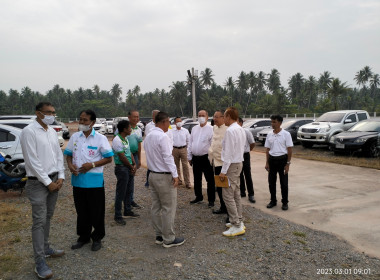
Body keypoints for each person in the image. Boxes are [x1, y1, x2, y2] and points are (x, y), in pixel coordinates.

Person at [20, 102, 65, 279]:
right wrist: (47, 182)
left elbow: (58, 155)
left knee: (47, 217)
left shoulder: (51, 132)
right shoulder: (29, 131)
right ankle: (39, 261)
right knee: (39, 221)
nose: (52, 115)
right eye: (48, 112)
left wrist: (61, 176)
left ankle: (46, 248)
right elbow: (32, 161)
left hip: (55, 180)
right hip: (38, 183)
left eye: (53, 112)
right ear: (38, 113)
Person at [64, 109, 113, 252]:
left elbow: (109, 158)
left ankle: (97, 238)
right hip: (78, 181)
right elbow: (68, 155)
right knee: (82, 211)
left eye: (85, 120)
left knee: (96, 211)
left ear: (92, 122)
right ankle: (83, 237)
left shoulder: (100, 138)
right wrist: (70, 165)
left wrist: (91, 165)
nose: (81, 122)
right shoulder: (75, 137)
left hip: (94, 182)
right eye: (80, 119)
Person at [143, 111, 185, 248]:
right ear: (164, 122)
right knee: (168, 207)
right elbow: (168, 157)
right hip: (164, 175)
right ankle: (169, 238)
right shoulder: (163, 137)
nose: (170, 125)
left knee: (156, 207)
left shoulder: (148, 136)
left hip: (152, 174)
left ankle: (159, 235)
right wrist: (175, 175)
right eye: (169, 123)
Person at [219, 107, 246, 237]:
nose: (224, 119)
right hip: (238, 163)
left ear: (229, 116)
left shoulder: (230, 131)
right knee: (236, 194)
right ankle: (238, 220)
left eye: (224, 116)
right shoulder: (241, 129)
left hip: (231, 165)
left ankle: (236, 224)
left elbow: (228, 153)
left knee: (228, 195)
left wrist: (223, 171)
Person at [265, 115, 293, 211]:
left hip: (282, 160)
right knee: (271, 183)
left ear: (280, 123)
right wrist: (267, 162)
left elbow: (289, 150)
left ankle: (285, 202)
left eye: (274, 122)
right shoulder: (269, 134)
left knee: (284, 183)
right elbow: (267, 149)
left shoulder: (286, 134)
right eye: (271, 122)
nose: (272, 124)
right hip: (272, 160)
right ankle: (273, 200)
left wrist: (288, 164)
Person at [113, 120, 138, 225]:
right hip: (122, 168)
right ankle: (118, 215)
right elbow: (122, 156)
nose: (131, 129)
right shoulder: (117, 140)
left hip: (128, 167)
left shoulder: (125, 139)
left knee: (129, 190)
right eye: (129, 127)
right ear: (124, 129)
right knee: (121, 192)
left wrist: (134, 164)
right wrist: (131, 166)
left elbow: (129, 152)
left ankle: (127, 210)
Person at [187, 110, 215, 207]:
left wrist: (212, 158)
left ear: (207, 117)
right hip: (196, 158)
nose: (201, 117)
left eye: (203, 115)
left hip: (206, 158)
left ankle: (211, 200)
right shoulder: (194, 128)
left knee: (210, 180)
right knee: (197, 179)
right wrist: (189, 156)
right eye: (199, 115)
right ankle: (198, 196)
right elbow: (190, 143)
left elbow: (213, 144)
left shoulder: (211, 129)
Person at [208, 110, 228, 215]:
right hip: (216, 162)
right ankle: (223, 207)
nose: (214, 119)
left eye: (216, 117)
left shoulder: (228, 129)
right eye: (214, 117)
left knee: (226, 189)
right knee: (219, 188)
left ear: (223, 117)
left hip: (224, 163)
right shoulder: (214, 128)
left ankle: (230, 211)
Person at [127, 110, 143, 209]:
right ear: (129, 117)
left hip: (135, 156)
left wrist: (139, 159)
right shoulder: (124, 128)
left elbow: (139, 145)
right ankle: (126, 201)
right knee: (126, 179)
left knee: (131, 178)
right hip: (126, 157)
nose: (136, 119)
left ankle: (131, 199)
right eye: (134, 117)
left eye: (138, 117)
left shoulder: (138, 129)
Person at [238, 118, 256, 203]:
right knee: (239, 174)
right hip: (237, 156)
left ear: (241, 123)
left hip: (245, 155)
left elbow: (252, 143)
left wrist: (248, 150)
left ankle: (251, 194)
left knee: (247, 174)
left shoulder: (246, 132)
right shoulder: (233, 132)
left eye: (237, 122)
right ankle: (242, 191)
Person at [172, 117, 191, 188]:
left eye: (180, 121)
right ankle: (179, 180)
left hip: (183, 149)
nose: (179, 123)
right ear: (175, 123)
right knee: (176, 166)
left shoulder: (185, 131)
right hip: (175, 149)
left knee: (185, 166)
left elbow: (188, 141)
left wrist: (188, 150)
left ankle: (187, 182)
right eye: (178, 121)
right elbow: (170, 141)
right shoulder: (172, 131)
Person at [144, 109, 160, 187]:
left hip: (159, 148)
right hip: (151, 148)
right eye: (156, 114)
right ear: (153, 116)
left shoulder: (161, 123)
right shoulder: (149, 126)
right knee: (150, 165)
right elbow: (147, 137)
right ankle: (148, 181)